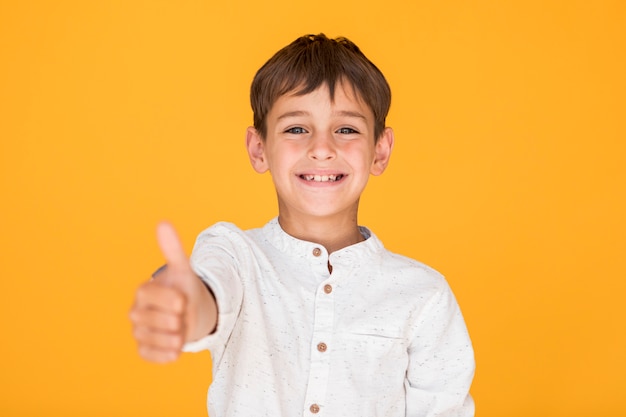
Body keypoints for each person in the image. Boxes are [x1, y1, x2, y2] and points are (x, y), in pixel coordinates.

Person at [130, 33, 475, 417]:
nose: (322, 148)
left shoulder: (424, 295)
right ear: (259, 149)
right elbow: (208, 295)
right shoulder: (235, 254)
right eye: (296, 129)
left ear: (380, 150)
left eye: (346, 129)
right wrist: (182, 305)